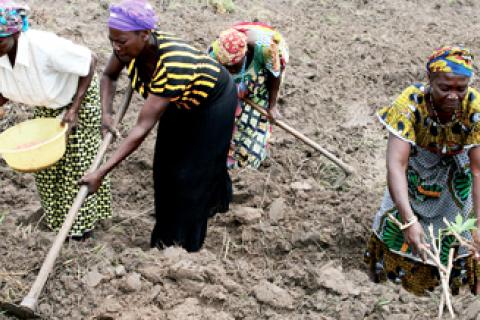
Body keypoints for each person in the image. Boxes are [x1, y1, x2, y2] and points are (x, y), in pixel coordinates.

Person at [79, 0, 237, 252]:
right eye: (113, 41)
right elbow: (108, 75)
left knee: (193, 176)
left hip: (212, 103)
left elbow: (141, 129)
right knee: (165, 168)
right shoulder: (126, 48)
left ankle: (187, 247)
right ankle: (163, 238)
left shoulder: (173, 64)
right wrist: (106, 113)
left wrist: (101, 171)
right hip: (176, 100)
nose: (115, 47)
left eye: (121, 41)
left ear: (144, 34)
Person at [365, 46, 480, 295]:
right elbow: (397, 164)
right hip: (415, 175)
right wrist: (408, 221)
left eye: (460, 89)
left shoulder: (474, 107)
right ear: (430, 81)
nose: (453, 96)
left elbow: (478, 172)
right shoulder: (410, 103)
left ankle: (455, 291)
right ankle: (388, 289)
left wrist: (478, 225)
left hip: (455, 179)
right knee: (394, 225)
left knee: (460, 237)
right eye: (445, 88)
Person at [0, 1, 112, 239]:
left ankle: (80, 231)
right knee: (47, 167)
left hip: (75, 100)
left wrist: (74, 108)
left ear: (16, 33)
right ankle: (56, 219)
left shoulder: (44, 47)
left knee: (76, 165)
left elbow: (88, 62)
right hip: (46, 104)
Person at [209, 22, 289, 169]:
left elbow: (275, 75)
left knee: (257, 102)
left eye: (233, 65)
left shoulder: (266, 51)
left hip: (269, 67)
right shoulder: (215, 53)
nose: (229, 69)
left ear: (245, 54)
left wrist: (272, 106)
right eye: (225, 65)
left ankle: (251, 145)